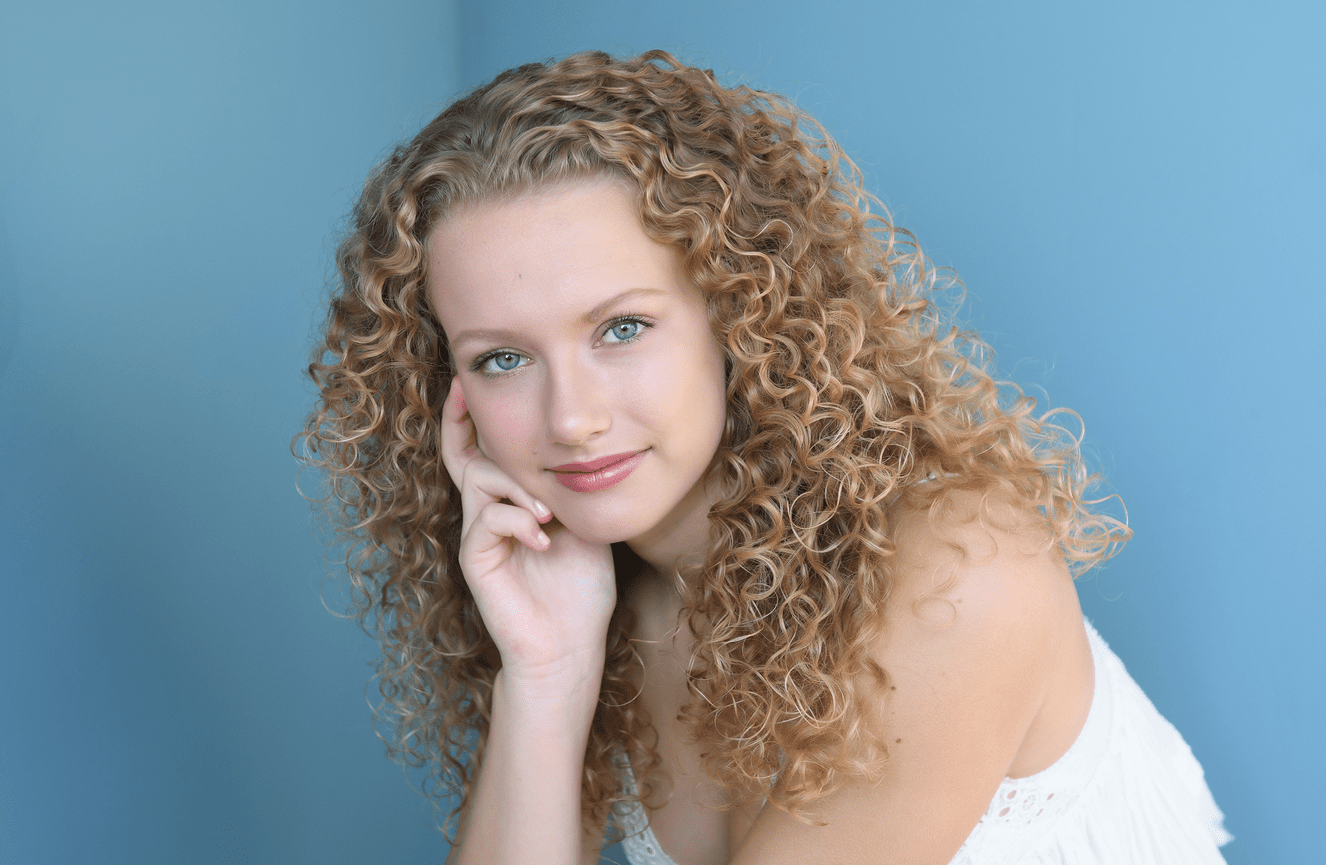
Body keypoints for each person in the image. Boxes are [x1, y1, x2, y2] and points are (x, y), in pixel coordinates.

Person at [301, 50, 1232, 865]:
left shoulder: (958, 575)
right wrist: (547, 673)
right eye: (502, 359)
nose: (572, 420)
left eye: (622, 328)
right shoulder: (601, 595)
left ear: (741, 312)